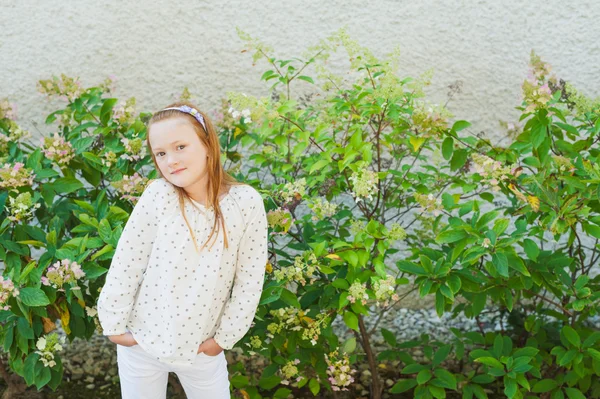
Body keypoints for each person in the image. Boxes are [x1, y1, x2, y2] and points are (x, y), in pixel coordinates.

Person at [96, 102, 269, 398]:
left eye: (180, 147)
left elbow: (249, 280)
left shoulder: (245, 203)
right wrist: (114, 325)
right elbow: (128, 261)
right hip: (143, 341)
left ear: (207, 146)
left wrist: (224, 339)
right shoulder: (159, 196)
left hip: (202, 346)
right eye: (160, 153)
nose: (170, 160)